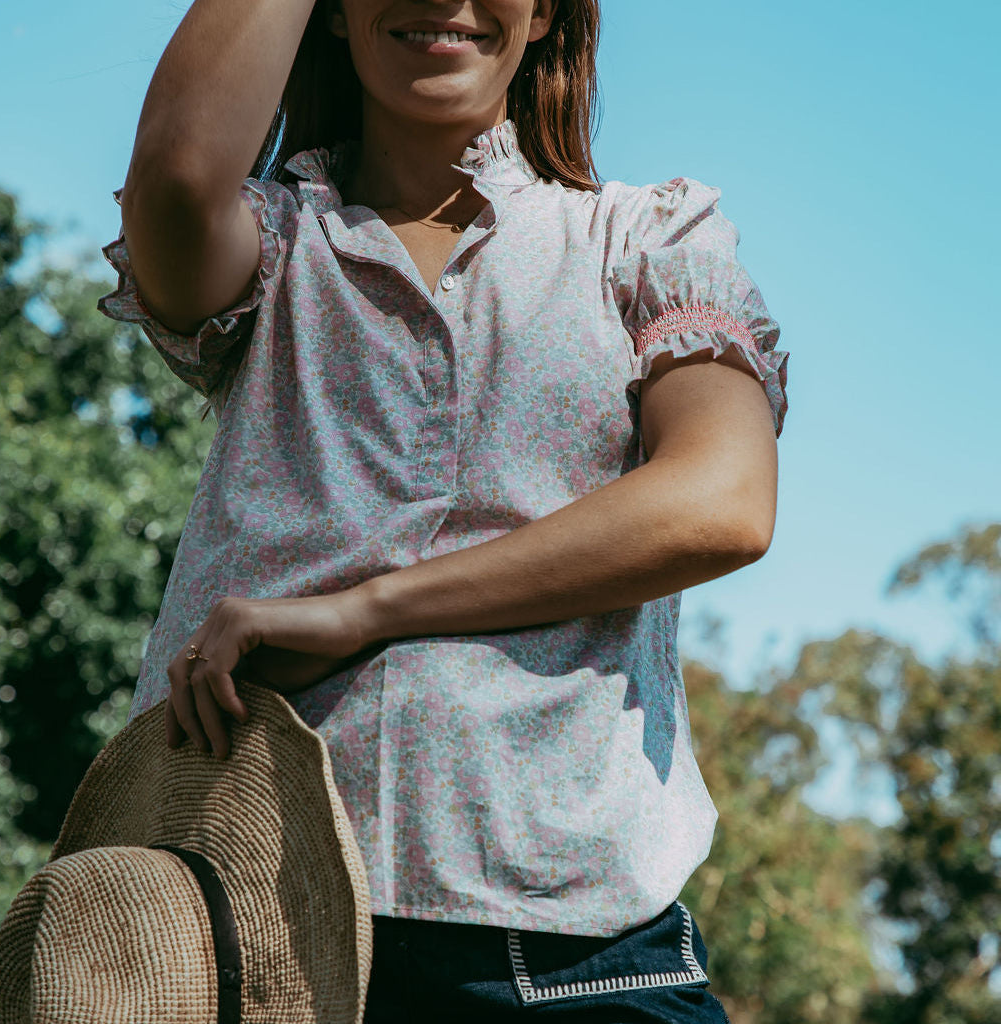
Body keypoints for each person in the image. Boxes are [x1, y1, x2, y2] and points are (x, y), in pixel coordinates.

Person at [100, 0, 787, 1019]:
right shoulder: (279, 245)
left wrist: (365, 609)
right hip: (240, 940)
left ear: (546, 9)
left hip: (566, 954)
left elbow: (721, 499)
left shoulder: (640, 238)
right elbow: (178, 178)